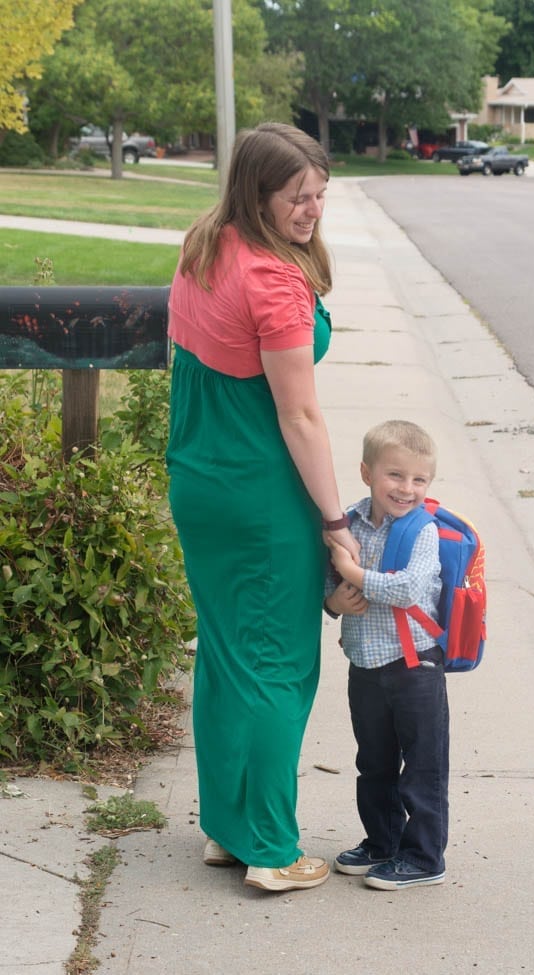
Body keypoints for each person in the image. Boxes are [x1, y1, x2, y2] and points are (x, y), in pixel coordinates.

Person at [165, 122, 359, 893]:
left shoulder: (206, 241)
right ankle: (273, 849)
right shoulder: (275, 282)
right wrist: (337, 524)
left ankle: (228, 828)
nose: (312, 210)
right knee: (278, 665)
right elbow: (301, 417)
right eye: (296, 198)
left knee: (225, 655)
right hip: (258, 490)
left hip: (200, 475)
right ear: (258, 192)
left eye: (319, 195)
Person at [324, 419, 449, 891]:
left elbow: (408, 589)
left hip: (416, 665)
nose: (407, 488)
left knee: (423, 765)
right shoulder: (348, 524)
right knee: (374, 762)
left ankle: (424, 857)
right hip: (366, 664)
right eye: (395, 475)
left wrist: (352, 572)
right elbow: (328, 581)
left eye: (420, 479)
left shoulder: (423, 531)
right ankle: (383, 842)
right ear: (367, 473)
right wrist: (333, 601)